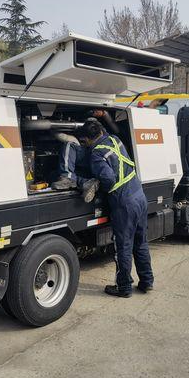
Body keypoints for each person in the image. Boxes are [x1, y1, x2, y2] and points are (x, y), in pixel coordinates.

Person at [76, 119, 154, 297]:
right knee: (140, 242)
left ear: (88, 139)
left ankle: (124, 287)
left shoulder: (96, 154)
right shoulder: (114, 139)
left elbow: (109, 179)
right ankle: (147, 282)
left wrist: (96, 184)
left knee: (123, 246)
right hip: (139, 195)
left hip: (124, 202)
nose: (84, 144)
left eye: (84, 141)